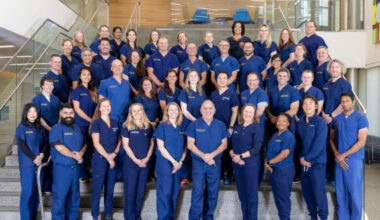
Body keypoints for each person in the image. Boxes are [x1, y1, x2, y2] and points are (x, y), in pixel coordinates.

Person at [186, 100, 228, 220]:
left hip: (214, 163)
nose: (207, 111)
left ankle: (208, 217)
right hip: (198, 163)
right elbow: (190, 145)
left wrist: (211, 155)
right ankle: (194, 217)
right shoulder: (194, 125)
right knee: (197, 191)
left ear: (214, 110)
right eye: (205, 108)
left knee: (212, 192)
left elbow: (224, 144)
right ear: (201, 110)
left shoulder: (220, 125)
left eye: (210, 108)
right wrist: (204, 156)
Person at [330, 92, 368, 220]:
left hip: (354, 160)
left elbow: (361, 141)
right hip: (338, 161)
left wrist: (343, 155)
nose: (345, 103)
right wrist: (337, 154)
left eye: (347, 101)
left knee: (354, 193)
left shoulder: (361, 119)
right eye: (342, 101)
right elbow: (331, 139)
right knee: (341, 194)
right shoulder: (337, 120)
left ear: (353, 102)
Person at [49, 103, 85, 220]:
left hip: (75, 169)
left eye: (71, 113)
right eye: (65, 113)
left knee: (74, 198)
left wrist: (81, 154)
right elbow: (59, 147)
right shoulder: (56, 129)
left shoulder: (77, 128)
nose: (68, 115)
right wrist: (75, 156)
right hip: (62, 169)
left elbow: (85, 144)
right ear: (60, 113)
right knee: (60, 198)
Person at [296, 95, 329, 220]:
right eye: (305, 103)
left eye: (310, 103)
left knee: (319, 194)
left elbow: (319, 145)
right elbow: (298, 143)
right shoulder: (300, 123)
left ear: (316, 106)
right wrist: (301, 158)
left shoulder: (320, 122)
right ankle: (313, 217)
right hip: (304, 164)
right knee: (307, 194)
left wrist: (307, 158)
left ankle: (324, 217)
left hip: (316, 164)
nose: (307, 106)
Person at [231, 104, 264, 220]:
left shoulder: (257, 128)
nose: (248, 114)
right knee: (242, 196)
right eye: (246, 111)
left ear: (254, 114)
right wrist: (234, 156)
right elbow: (231, 147)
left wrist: (240, 156)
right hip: (237, 165)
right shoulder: (237, 127)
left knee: (251, 196)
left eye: (250, 112)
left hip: (250, 165)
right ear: (242, 113)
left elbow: (256, 149)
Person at [153, 102, 186, 220]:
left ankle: (171, 217)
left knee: (174, 192)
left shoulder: (182, 126)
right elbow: (161, 147)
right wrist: (173, 162)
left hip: (178, 163)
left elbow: (185, 146)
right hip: (165, 162)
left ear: (179, 112)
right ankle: (163, 217)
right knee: (165, 191)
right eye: (170, 110)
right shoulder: (162, 126)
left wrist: (180, 161)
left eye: (175, 110)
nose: (173, 112)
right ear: (166, 112)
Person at [122, 103, 154, 220]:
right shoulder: (126, 126)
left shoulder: (148, 126)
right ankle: (129, 217)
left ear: (142, 111)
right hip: (131, 164)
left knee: (140, 193)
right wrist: (136, 160)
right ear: (130, 113)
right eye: (133, 111)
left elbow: (152, 144)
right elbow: (125, 146)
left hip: (144, 164)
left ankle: (137, 215)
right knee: (130, 193)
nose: (136, 113)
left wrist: (146, 159)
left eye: (138, 110)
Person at [90, 98, 121, 220]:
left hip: (113, 158)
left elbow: (119, 140)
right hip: (100, 159)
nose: (106, 108)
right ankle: (95, 216)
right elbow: (96, 144)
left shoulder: (115, 122)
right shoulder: (96, 123)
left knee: (110, 190)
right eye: (104, 106)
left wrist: (114, 153)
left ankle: (108, 215)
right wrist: (109, 157)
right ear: (99, 108)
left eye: (108, 106)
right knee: (97, 190)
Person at [16, 103, 47, 220]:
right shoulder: (21, 128)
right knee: (27, 193)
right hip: (27, 166)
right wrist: (34, 158)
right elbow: (22, 146)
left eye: (34, 111)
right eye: (30, 112)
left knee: (36, 195)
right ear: (26, 114)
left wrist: (41, 155)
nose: (32, 114)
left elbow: (45, 143)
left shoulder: (40, 128)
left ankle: (32, 217)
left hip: (39, 166)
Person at [210, 71, 239, 184]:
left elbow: (235, 111)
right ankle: (220, 174)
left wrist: (231, 126)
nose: (221, 80)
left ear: (227, 80)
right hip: (215, 129)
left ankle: (229, 175)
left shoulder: (232, 94)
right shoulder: (213, 94)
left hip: (227, 128)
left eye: (224, 78)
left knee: (227, 152)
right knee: (217, 152)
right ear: (217, 80)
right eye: (219, 78)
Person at [265, 113, 296, 220]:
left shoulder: (288, 136)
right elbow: (269, 152)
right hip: (274, 170)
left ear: (288, 123)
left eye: (284, 121)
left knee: (283, 199)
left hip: (284, 171)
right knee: (278, 199)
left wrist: (269, 162)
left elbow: (283, 155)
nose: (280, 123)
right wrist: (267, 162)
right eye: (278, 120)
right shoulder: (275, 135)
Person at [70, 67, 98, 182]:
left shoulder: (93, 91)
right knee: (81, 148)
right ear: (80, 77)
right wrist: (90, 120)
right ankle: (81, 174)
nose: (86, 76)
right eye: (84, 74)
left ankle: (86, 172)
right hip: (81, 124)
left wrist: (94, 120)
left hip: (92, 124)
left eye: (88, 74)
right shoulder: (76, 91)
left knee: (89, 148)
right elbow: (77, 109)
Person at [267, 68, 300, 134]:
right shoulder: (272, 90)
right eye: (280, 76)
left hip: (287, 123)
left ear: (288, 78)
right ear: (277, 77)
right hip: (273, 123)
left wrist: (278, 119)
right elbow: (267, 107)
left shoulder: (293, 91)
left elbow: (294, 110)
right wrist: (271, 117)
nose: (282, 77)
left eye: (284, 76)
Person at [98, 59, 132, 124]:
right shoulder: (105, 83)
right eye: (115, 66)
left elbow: (128, 100)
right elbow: (101, 102)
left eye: (119, 66)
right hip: (111, 118)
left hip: (125, 119)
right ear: (111, 68)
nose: (117, 68)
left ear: (122, 68)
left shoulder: (127, 83)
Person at [321, 59, 352, 125]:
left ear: (341, 70)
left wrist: (331, 116)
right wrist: (324, 115)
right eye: (332, 67)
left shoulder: (345, 84)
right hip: (325, 119)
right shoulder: (325, 85)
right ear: (329, 69)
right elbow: (322, 102)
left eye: (337, 67)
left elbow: (345, 103)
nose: (334, 69)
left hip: (339, 120)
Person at [197, 31, 220, 95]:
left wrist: (213, 67)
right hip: (205, 71)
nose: (209, 38)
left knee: (215, 89)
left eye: (210, 36)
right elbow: (200, 60)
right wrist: (209, 66)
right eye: (207, 36)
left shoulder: (216, 48)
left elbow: (219, 59)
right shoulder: (201, 47)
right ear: (204, 38)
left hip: (215, 71)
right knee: (206, 90)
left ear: (213, 38)